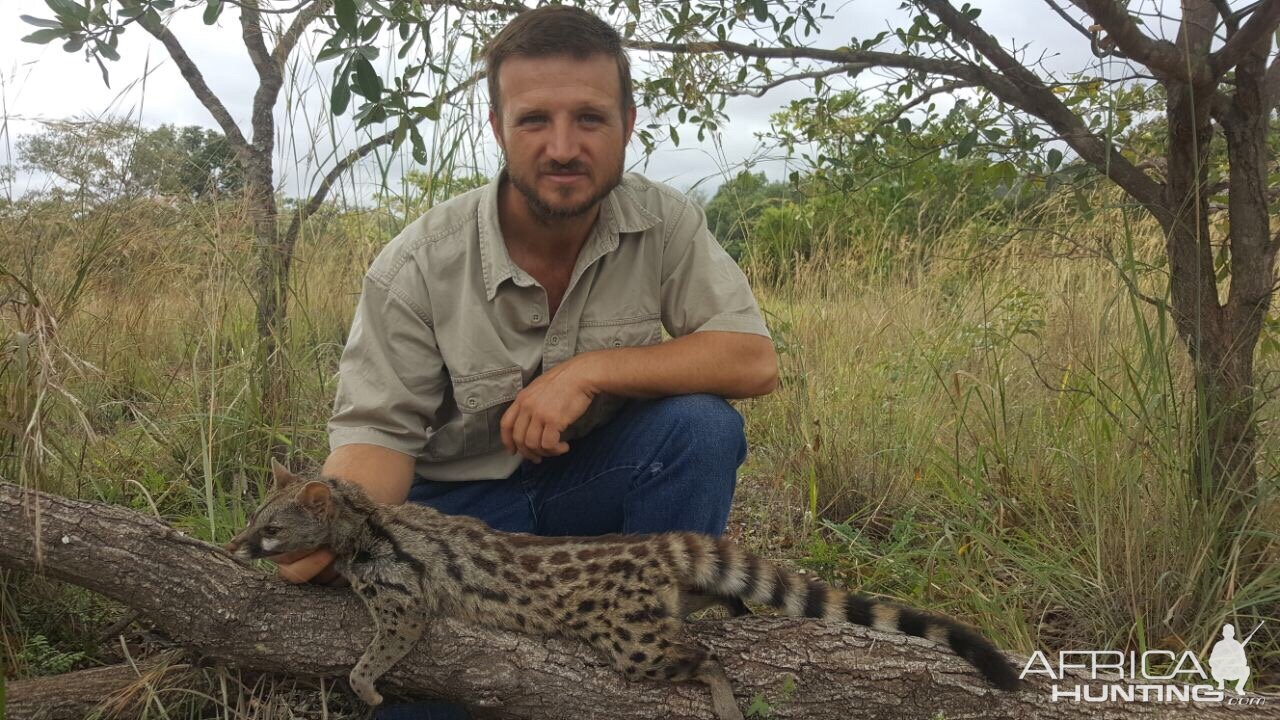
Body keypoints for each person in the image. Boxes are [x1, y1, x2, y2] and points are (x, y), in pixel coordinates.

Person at [271, 5, 777, 716]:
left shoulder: (665, 221)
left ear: (628, 125)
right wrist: (324, 534)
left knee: (700, 426)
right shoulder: (418, 262)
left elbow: (753, 361)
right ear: (497, 127)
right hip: (455, 524)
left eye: (591, 120)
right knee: (420, 705)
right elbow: (375, 442)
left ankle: (652, 633)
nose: (563, 147)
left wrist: (587, 370)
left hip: (588, 491)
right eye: (535, 120)